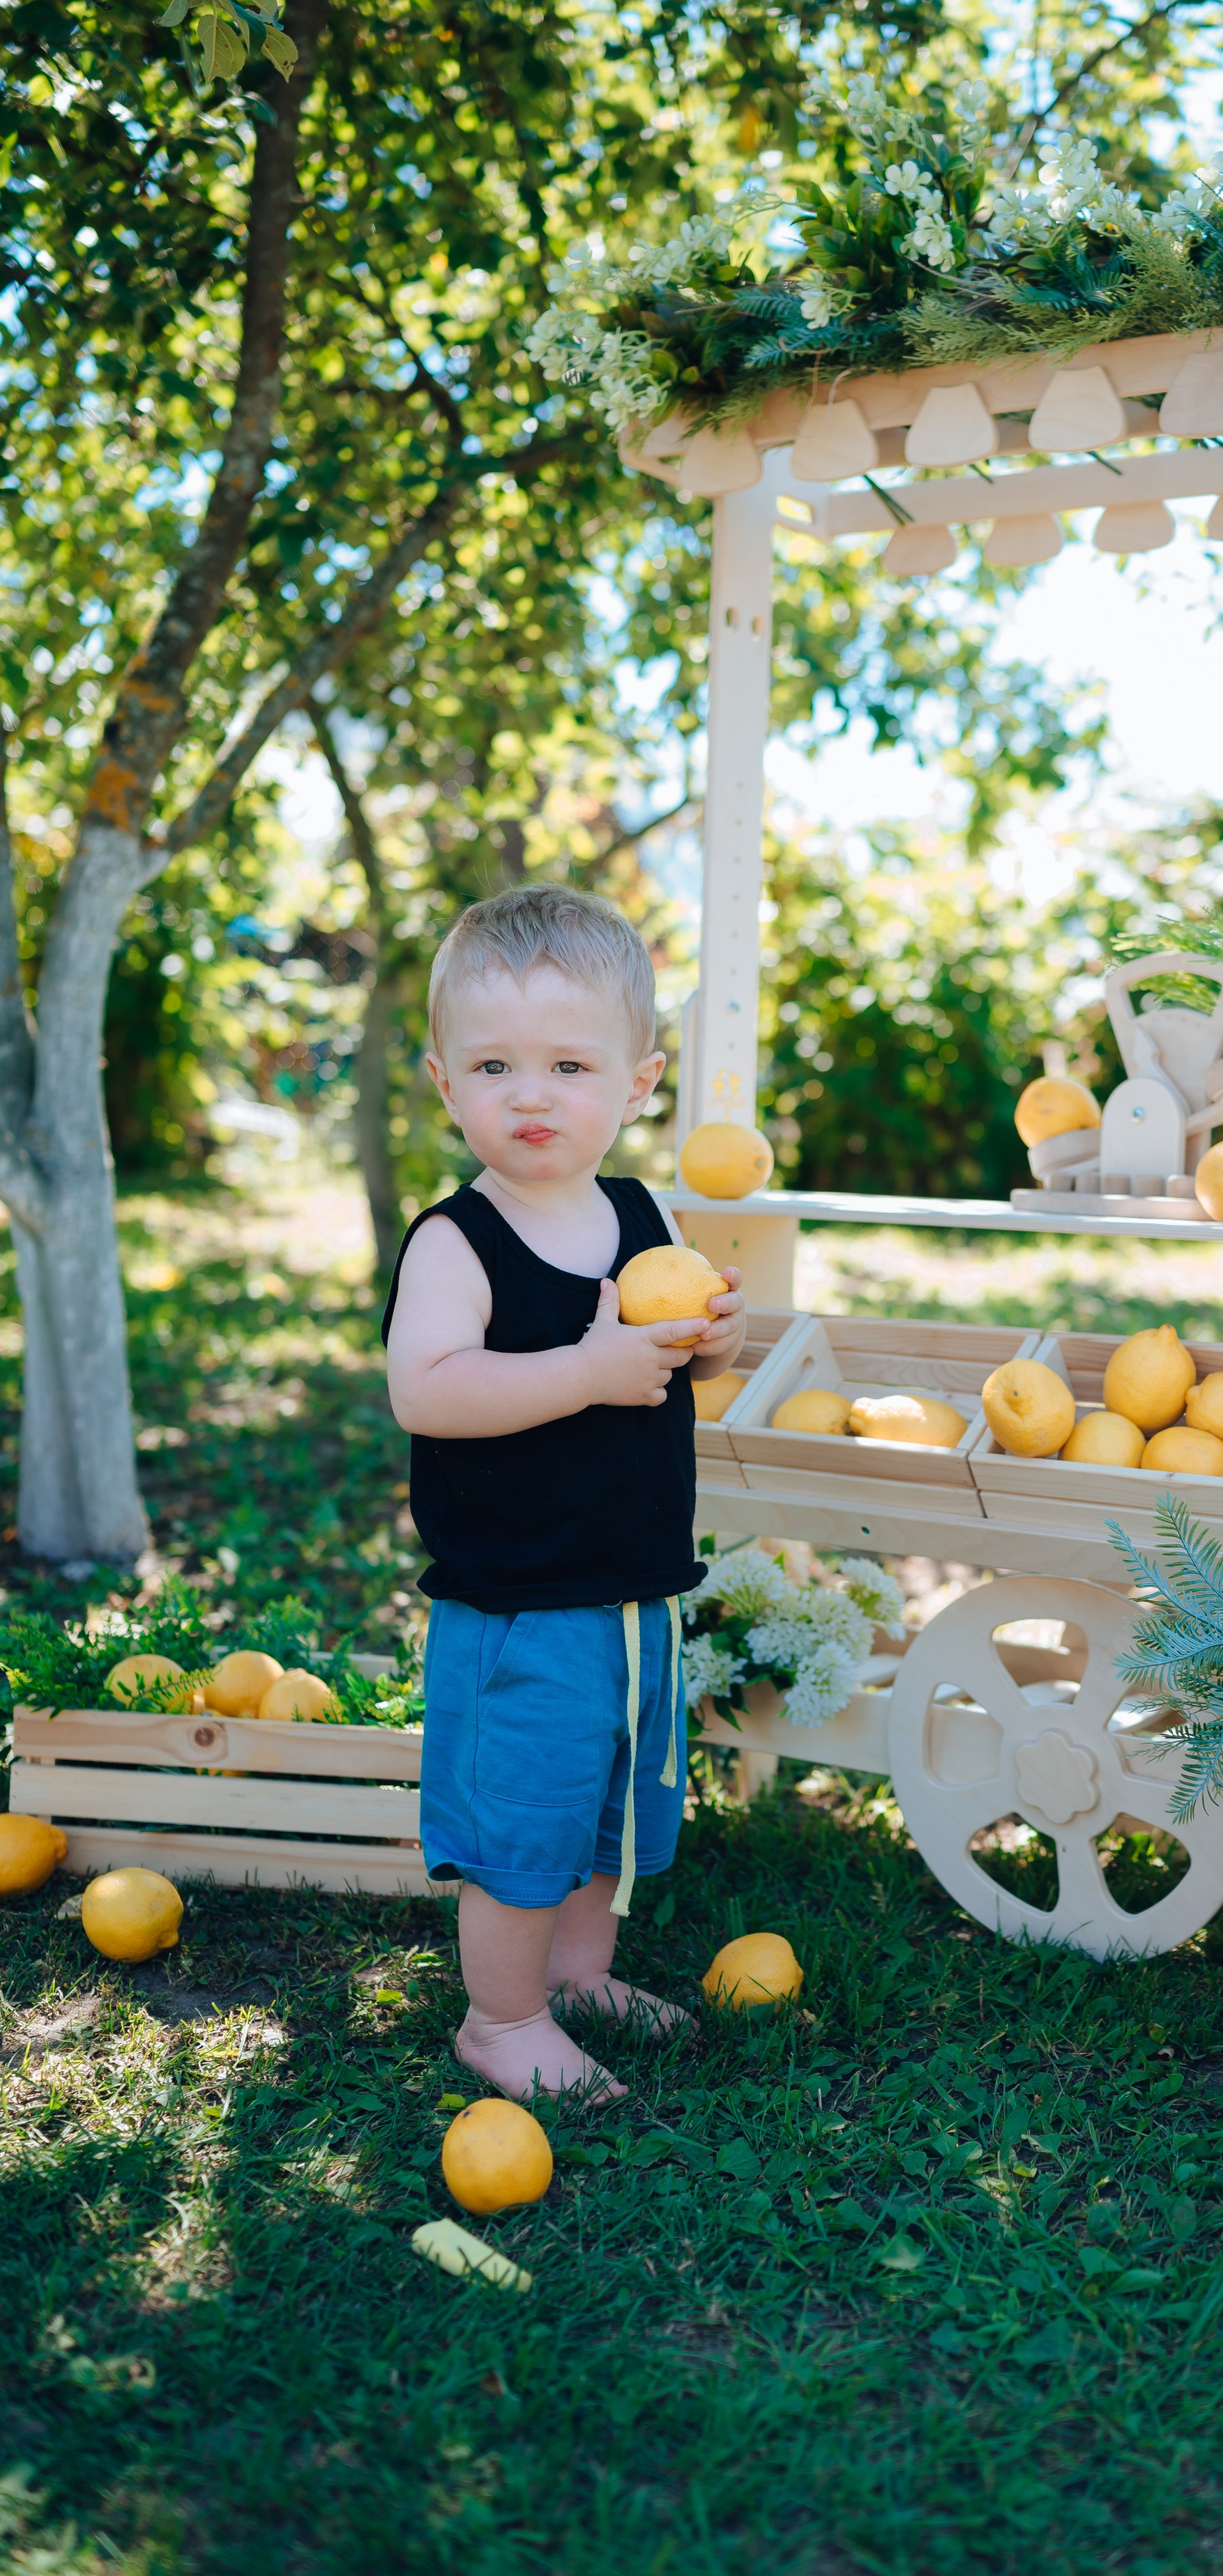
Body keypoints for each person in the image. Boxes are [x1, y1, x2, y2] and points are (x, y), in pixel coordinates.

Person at [383, 885, 746, 2100]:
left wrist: (715, 1342)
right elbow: (428, 1390)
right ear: (446, 1083)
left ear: (638, 1085)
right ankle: (503, 2019)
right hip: (521, 1603)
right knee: (523, 1820)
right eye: (495, 1065)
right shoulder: (457, 1242)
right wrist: (586, 1372)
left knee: (604, 1810)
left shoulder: (644, 1218)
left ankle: (580, 1978)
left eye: (569, 1066)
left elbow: (678, 1362)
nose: (530, 1095)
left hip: (634, 1592)